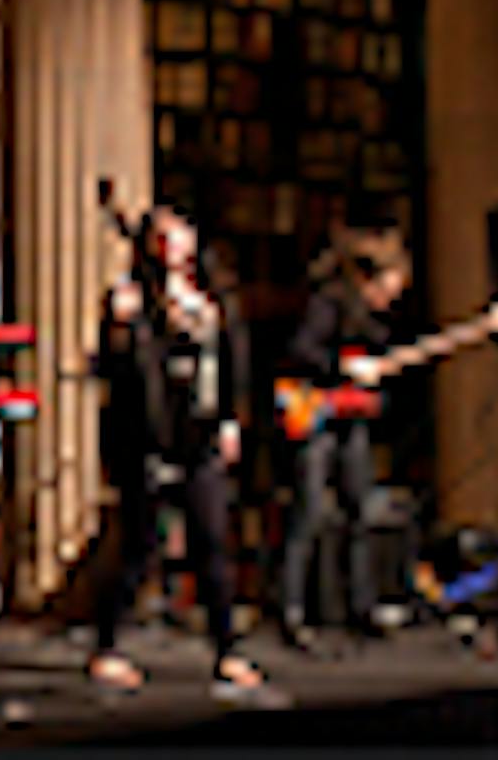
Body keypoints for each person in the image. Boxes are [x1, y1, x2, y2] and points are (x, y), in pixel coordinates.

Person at [91, 204, 270, 701]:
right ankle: (108, 645)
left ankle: (227, 649)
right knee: (140, 545)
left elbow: (235, 357)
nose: (171, 245)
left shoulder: (212, 295)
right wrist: (120, 328)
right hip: (151, 434)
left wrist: (232, 419)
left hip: (202, 431)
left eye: (179, 234)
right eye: (161, 237)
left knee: (212, 541)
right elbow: (112, 370)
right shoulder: (134, 297)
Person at [278, 227, 412, 650]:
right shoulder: (328, 303)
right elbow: (301, 351)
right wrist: (341, 367)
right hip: (316, 414)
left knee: (360, 509)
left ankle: (361, 606)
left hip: (350, 419)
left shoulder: (375, 320)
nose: (389, 300)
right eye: (387, 290)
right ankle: (292, 610)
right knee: (309, 512)